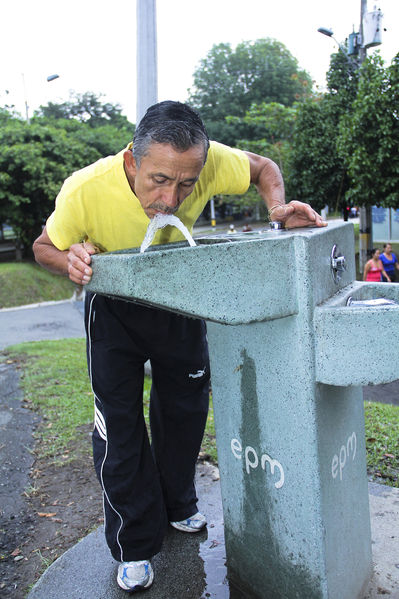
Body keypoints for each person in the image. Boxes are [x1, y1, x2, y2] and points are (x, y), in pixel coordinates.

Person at [32, 100, 327, 593]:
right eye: (158, 180)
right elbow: (45, 245)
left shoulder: (206, 164)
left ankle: (178, 503)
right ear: (133, 161)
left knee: (184, 410)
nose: (170, 198)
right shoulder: (84, 189)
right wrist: (71, 261)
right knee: (120, 427)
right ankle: (134, 544)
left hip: (179, 295)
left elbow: (264, 167)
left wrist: (277, 208)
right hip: (114, 306)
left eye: (186, 184)